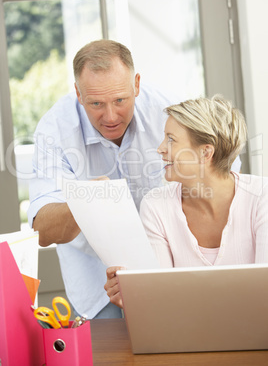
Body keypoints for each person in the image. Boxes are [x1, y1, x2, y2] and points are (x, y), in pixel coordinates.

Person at [28, 39, 181, 319]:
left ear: (136, 84)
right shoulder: (54, 130)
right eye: (96, 103)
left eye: (120, 100)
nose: (110, 116)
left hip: (168, 271)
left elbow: (222, 175)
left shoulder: (170, 113)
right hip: (96, 285)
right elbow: (43, 230)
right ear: (78, 93)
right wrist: (86, 201)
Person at [105, 95, 268, 309]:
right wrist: (135, 299)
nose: (160, 148)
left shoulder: (261, 196)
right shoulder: (156, 207)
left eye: (171, 139)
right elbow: (161, 301)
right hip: (184, 340)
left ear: (205, 152)